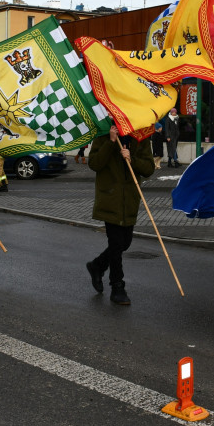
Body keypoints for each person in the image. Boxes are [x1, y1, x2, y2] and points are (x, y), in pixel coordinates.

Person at [85, 125, 155, 305]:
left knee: (125, 243)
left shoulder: (141, 136)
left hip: (130, 200)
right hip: (110, 198)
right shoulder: (104, 134)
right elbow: (94, 163)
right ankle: (117, 286)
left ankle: (97, 265)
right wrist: (111, 142)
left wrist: (132, 159)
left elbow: (148, 168)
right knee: (116, 244)